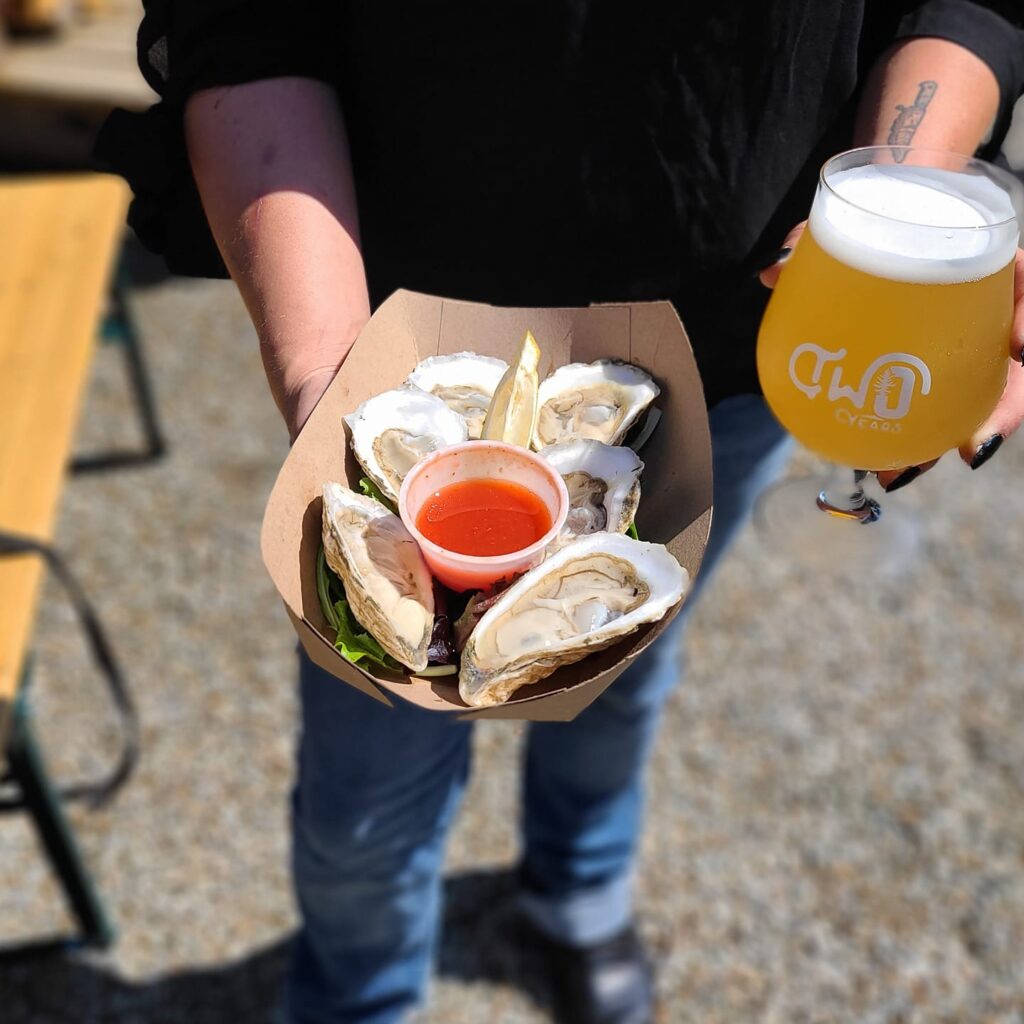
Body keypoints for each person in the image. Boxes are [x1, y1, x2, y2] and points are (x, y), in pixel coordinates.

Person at [99, 3, 1024, 1022]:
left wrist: (897, 202)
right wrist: (332, 384)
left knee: (625, 651)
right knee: (365, 790)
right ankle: (356, 1000)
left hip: (740, 325)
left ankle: (577, 886)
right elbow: (250, 25)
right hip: (398, 339)